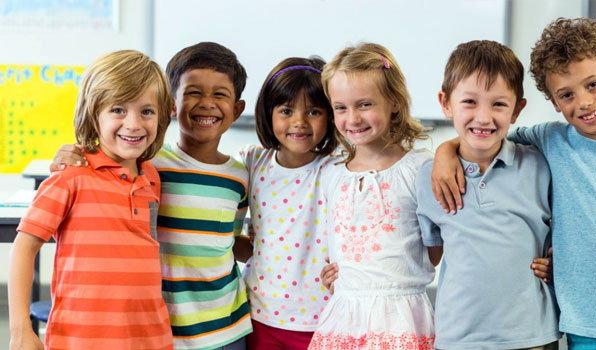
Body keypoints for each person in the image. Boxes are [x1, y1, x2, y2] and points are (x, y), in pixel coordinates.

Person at [432, 18, 596, 350]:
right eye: (567, 95)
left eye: (592, 85)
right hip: (586, 330)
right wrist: (445, 150)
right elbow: (485, 139)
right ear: (554, 103)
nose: (584, 102)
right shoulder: (550, 141)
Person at [48, 42, 253, 350]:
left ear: (237, 109)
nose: (206, 103)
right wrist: (73, 155)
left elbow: (228, 240)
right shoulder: (146, 165)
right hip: (157, 330)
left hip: (225, 327)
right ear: (170, 104)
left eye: (219, 94)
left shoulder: (240, 176)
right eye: (193, 92)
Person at [9, 50, 174, 349]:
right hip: (80, 340)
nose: (134, 124)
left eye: (147, 111)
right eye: (118, 110)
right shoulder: (71, 175)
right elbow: (24, 245)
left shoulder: (151, 177)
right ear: (93, 113)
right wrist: (20, 330)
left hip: (149, 338)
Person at [416, 40, 560, 350]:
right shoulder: (428, 175)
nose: (483, 117)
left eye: (498, 104)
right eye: (469, 102)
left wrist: (559, 259)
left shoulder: (540, 165)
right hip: (458, 338)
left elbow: (566, 232)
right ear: (445, 103)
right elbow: (429, 254)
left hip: (532, 336)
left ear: (517, 109)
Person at [306, 42, 439, 350]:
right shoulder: (331, 173)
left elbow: (435, 248)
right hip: (345, 315)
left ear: (393, 102)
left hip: (401, 315)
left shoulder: (419, 168)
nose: (352, 119)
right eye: (341, 108)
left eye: (364, 104)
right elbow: (335, 246)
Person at [238, 56, 339, 349]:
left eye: (314, 111)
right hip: (260, 315)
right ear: (268, 114)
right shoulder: (252, 161)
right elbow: (233, 238)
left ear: (330, 116)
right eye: (286, 110)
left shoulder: (338, 168)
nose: (299, 122)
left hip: (322, 318)